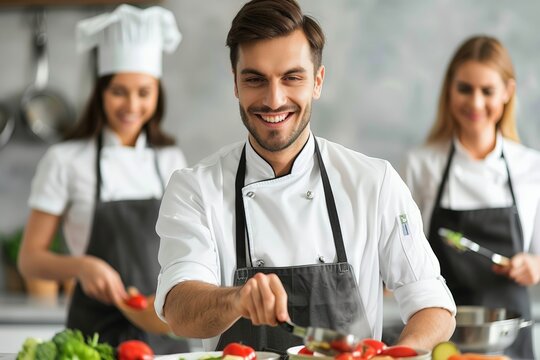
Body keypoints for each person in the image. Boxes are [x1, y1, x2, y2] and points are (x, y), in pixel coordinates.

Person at [154, 0, 456, 353]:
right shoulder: (195, 188)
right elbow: (179, 310)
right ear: (235, 84)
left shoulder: (374, 182)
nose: (273, 99)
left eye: (291, 78)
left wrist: (394, 355)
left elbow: (432, 303)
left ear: (317, 81)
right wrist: (236, 300)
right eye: (255, 79)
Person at [17, 4, 189, 353]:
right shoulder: (65, 160)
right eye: (118, 91)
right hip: (92, 340)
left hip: (163, 334)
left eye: (144, 92)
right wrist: (82, 266)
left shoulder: (170, 160)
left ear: (158, 94)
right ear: (100, 93)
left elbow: (187, 248)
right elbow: (29, 258)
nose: (131, 106)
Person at [401, 35, 540, 359]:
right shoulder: (421, 164)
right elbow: (405, 258)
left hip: (510, 339)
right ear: (449, 89)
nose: (475, 103)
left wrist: (534, 266)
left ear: (507, 92)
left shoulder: (532, 167)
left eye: (487, 91)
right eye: (465, 88)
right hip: (443, 337)